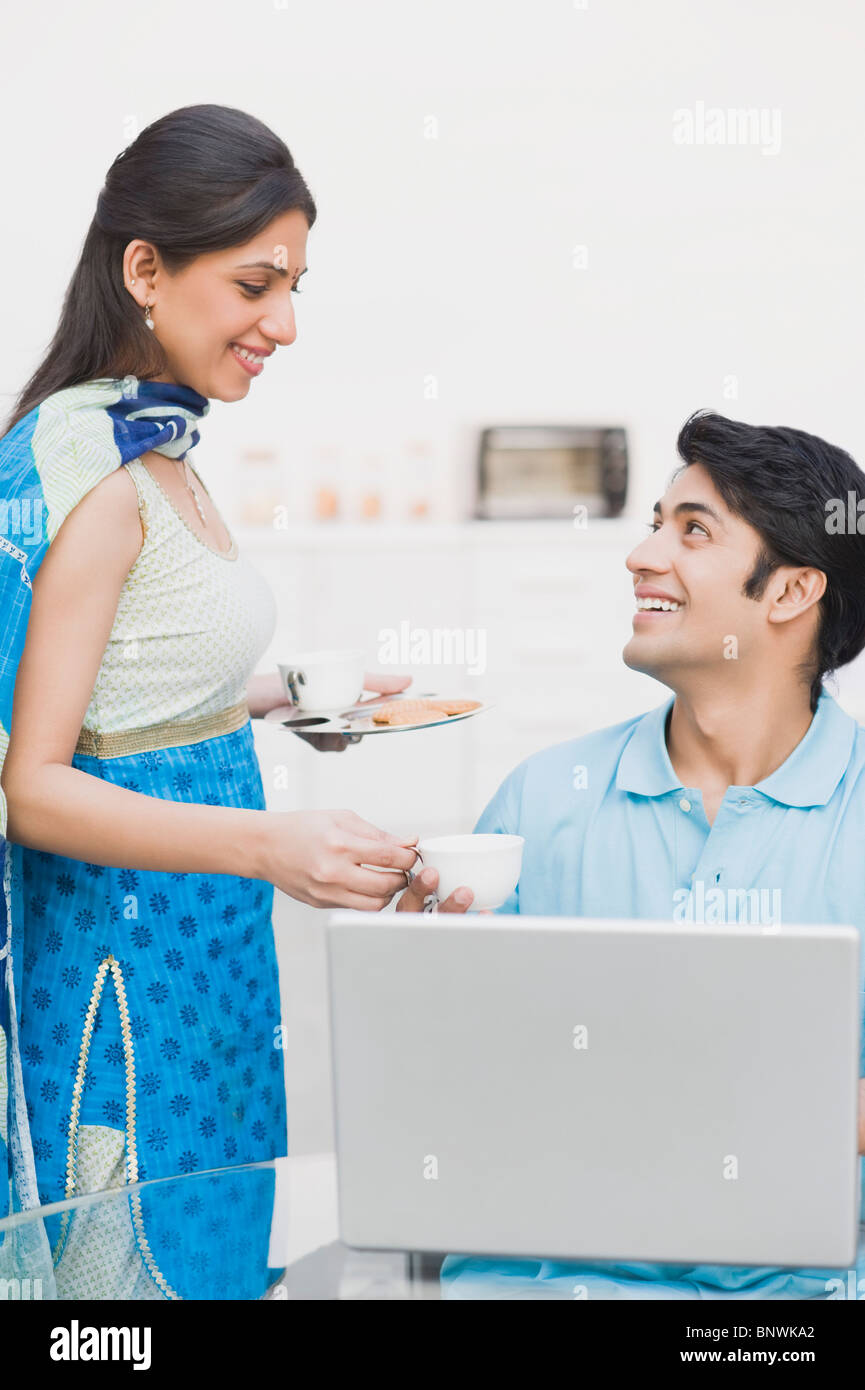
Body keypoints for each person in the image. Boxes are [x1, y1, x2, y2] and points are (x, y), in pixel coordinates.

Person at [0, 104, 418, 1300]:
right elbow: (33, 784)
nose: (282, 323)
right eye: (255, 284)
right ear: (145, 270)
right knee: (124, 1280)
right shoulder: (94, 474)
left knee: (211, 1237)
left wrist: (288, 695)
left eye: (293, 286)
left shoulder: (157, 445)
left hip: (199, 940)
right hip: (123, 953)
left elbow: (114, 694)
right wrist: (269, 842)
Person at [399, 409, 865, 1299]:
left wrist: (741, 1108)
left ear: (789, 594)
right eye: (655, 522)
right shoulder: (543, 799)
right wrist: (427, 970)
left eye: (692, 531)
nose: (641, 556)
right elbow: (447, 1082)